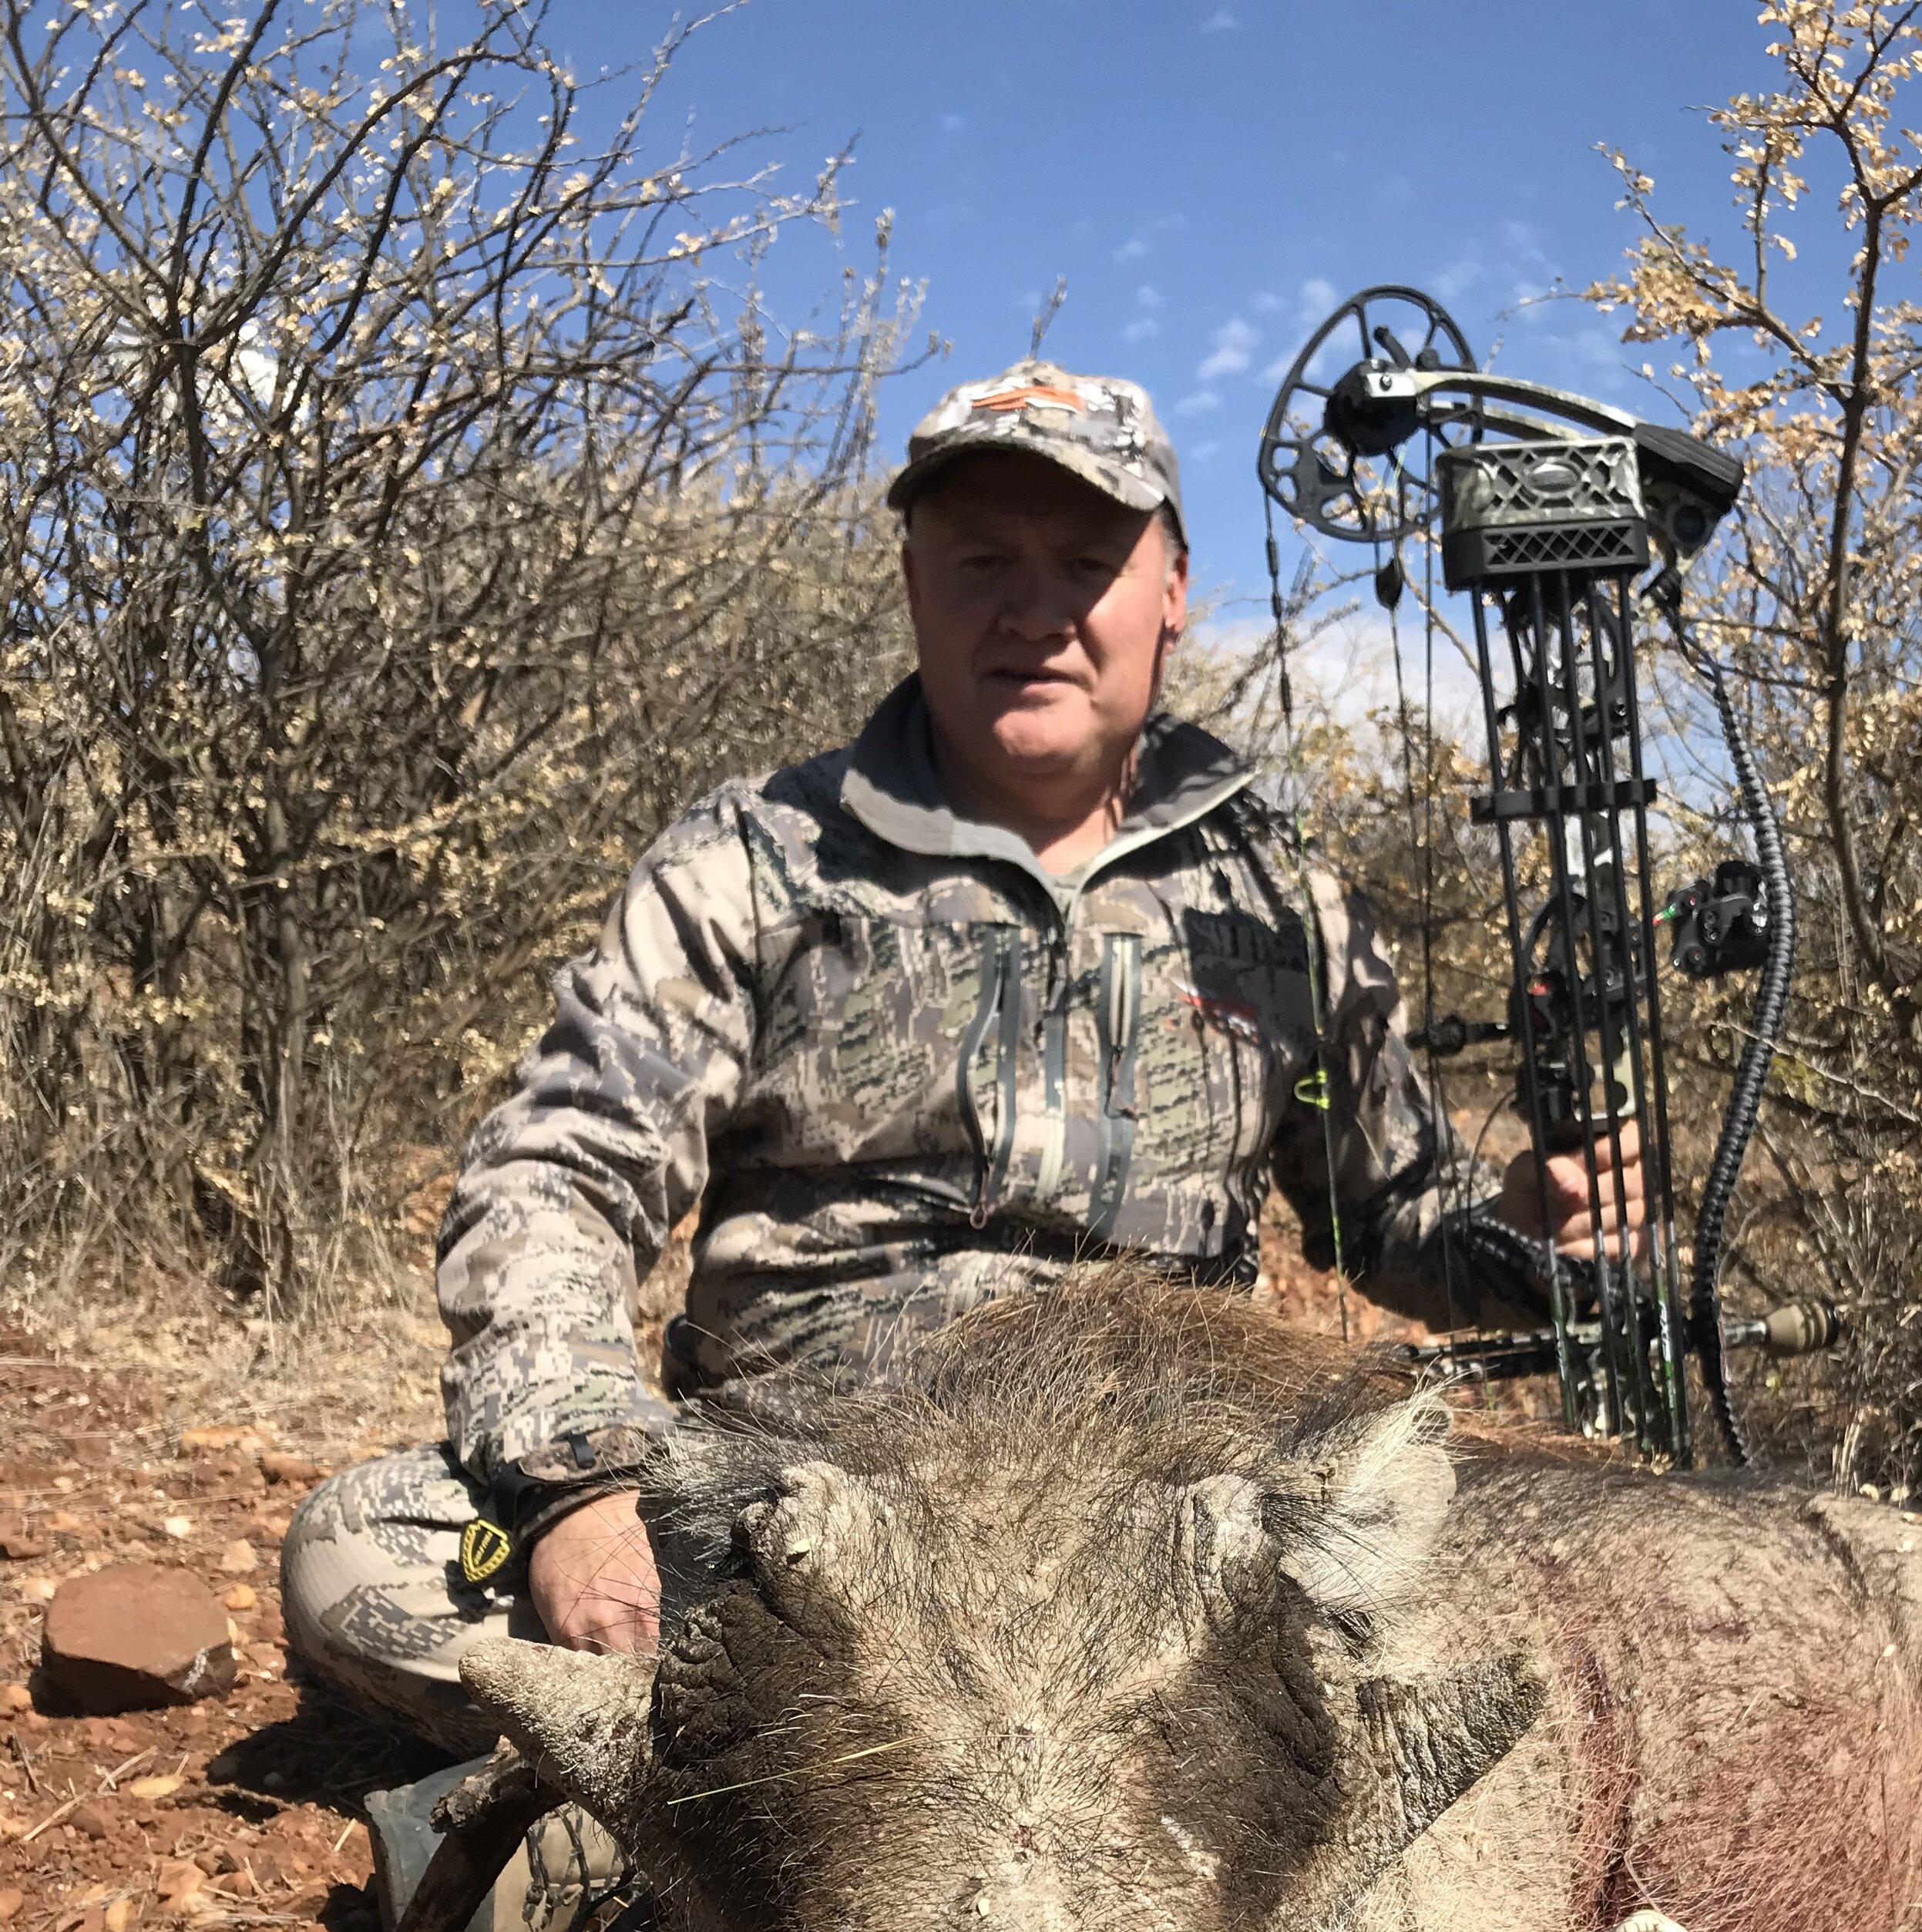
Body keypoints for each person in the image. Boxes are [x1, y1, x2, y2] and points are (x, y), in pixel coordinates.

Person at [283, 357, 1628, 1749]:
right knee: (365, 1549)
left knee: (1517, 1587)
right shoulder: (754, 860)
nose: (1034, 611)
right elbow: (557, 1175)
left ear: (1170, 590)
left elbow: (1387, 1214)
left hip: (1174, 1525)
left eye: (1086, 561)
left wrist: (1526, 1226)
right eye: (982, 557)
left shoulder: (1277, 899)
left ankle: (686, 1820)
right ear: (915, 580)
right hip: (799, 1524)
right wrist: (582, 1494)